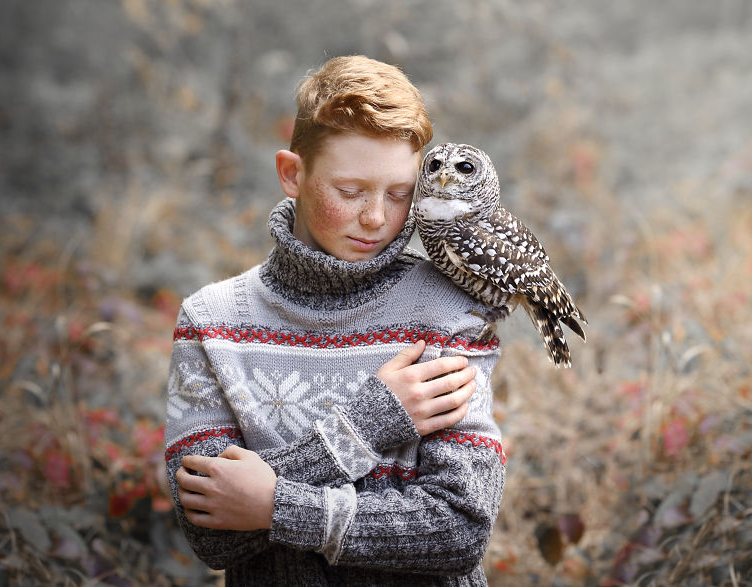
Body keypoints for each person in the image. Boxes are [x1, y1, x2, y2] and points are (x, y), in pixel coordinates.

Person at [164, 55, 506, 586]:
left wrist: (276, 505)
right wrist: (365, 425)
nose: (376, 217)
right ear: (291, 174)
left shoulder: (448, 311)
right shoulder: (212, 321)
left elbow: (460, 530)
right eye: (350, 192)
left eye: (400, 195)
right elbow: (210, 533)